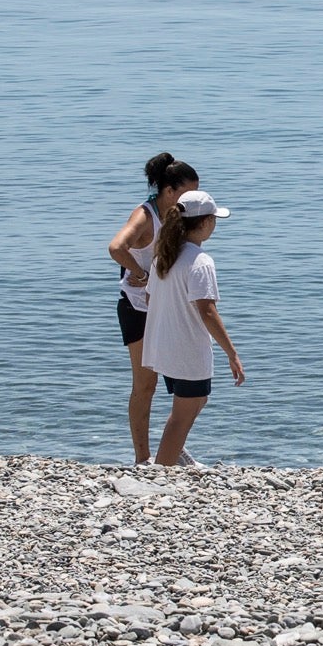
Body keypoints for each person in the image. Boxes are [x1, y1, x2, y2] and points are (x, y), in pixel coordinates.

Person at [106, 152, 200, 464]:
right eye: (187, 193)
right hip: (139, 311)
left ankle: (173, 448)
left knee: (184, 380)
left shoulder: (180, 216)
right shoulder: (145, 216)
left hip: (168, 309)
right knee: (146, 384)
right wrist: (139, 273)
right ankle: (142, 458)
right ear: (169, 191)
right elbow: (116, 247)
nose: (193, 199)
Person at [141, 190, 245, 467]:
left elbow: (151, 298)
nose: (215, 225)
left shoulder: (164, 256)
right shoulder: (200, 261)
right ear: (204, 223)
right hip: (186, 349)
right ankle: (162, 470)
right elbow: (207, 311)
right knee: (183, 414)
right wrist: (232, 353)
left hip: (164, 345)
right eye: (214, 219)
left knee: (195, 402)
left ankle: (175, 454)